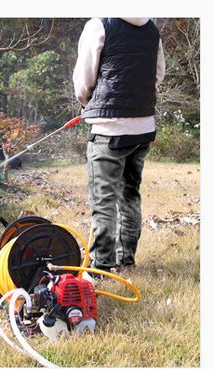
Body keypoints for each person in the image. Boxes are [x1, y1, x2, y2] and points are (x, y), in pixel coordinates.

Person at [73, 18, 165, 273]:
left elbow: (84, 80)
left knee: (104, 201)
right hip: (143, 126)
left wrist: (87, 103)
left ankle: (102, 266)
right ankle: (126, 260)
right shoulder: (151, 29)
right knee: (130, 194)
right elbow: (157, 75)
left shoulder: (100, 24)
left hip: (109, 130)